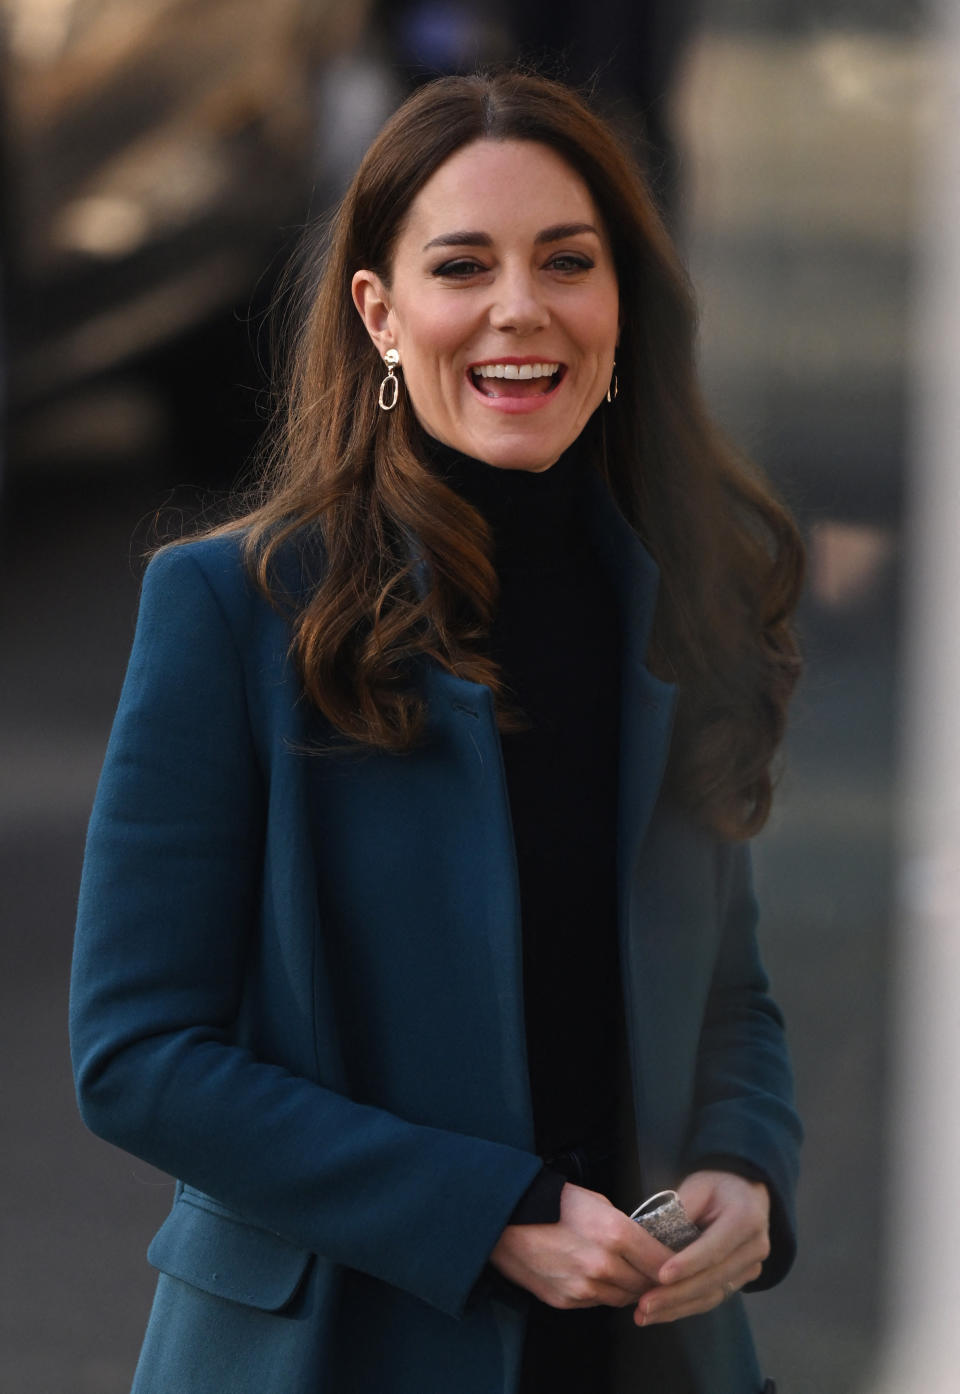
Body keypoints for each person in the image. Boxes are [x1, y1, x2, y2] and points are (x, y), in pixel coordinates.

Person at [70, 70, 804, 1394]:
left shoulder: (689, 601)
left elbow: (728, 995)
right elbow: (137, 1057)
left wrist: (748, 1166)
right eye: (462, 266)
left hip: (644, 1349)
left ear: (621, 304)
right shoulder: (231, 611)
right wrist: (495, 1210)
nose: (520, 308)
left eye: (567, 262)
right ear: (381, 314)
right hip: (337, 1350)